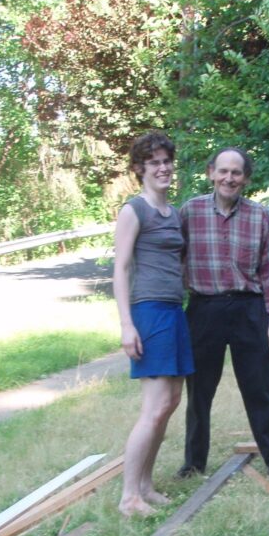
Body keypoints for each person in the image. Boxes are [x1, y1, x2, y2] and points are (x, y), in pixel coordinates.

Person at [178, 146, 269, 479]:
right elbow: (174, 261)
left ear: (246, 178)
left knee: (262, 390)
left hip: (249, 310)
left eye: (236, 172)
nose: (229, 178)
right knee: (198, 394)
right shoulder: (189, 212)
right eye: (223, 171)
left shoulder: (259, 216)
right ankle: (193, 463)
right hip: (203, 310)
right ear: (210, 173)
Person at [113, 131, 194, 515]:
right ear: (140, 169)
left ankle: (145, 485)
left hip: (174, 311)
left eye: (166, 161)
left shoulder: (173, 213)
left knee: (170, 402)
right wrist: (126, 325)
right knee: (155, 406)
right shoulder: (134, 210)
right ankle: (129, 497)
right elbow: (121, 269)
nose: (163, 168)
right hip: (149, 311)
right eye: (154, 163)